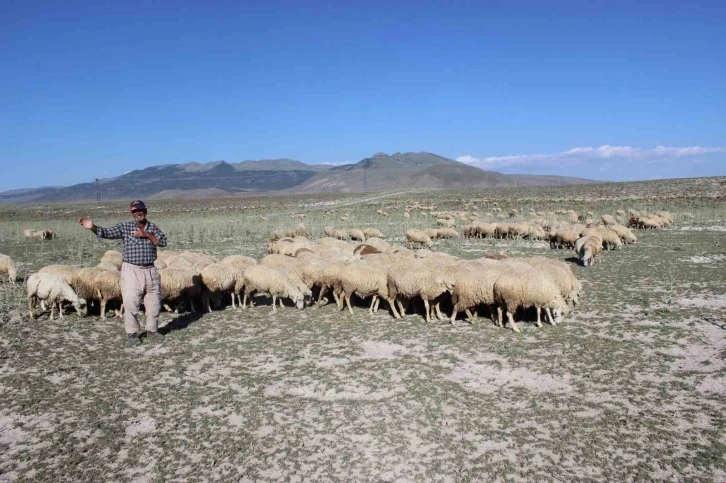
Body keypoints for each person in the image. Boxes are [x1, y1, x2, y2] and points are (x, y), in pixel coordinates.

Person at [79, 200, 168, 346]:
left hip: (151, 270)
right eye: (134, 211)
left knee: (154, 303)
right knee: (131, 302)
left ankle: (152, 330)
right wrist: (92, 227)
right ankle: (132, 333)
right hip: (132, 270)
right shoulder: (125, 227)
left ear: (145, 211)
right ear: (131, 213)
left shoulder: (153, 227)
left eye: (140, 210)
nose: (138, 213)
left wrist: (146, 234)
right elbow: (107, 232)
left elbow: (163, 242)